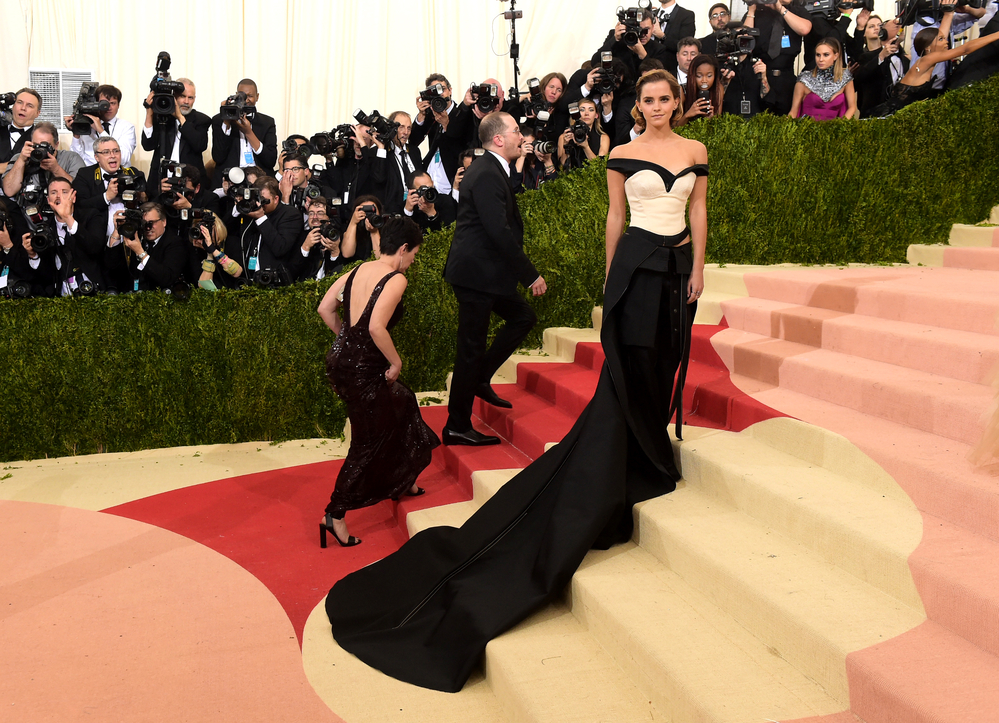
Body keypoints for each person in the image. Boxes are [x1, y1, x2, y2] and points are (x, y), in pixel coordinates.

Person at [325, 68, 707, 693]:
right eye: (649, 99)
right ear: (638, 105)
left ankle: (483, 407)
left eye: (666, 99)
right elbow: (581, 223)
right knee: (511, 348)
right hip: (604, 266)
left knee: (608, 352)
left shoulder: (694, 151)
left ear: (676, 103)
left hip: (670, 269)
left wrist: (697, 267)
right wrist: (583, 279)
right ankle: (491, 418)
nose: (658, 107)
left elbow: (697, 207)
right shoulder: (592, 157)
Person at [317, 216, 439, 547]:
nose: (413, 261)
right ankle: (335, 514)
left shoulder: (354, 272)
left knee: (402, 400)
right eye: (413, 254)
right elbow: (375, 327)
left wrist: (347, 339)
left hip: (342, 362)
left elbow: (325, 308)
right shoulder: (395, 278)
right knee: (367, 442)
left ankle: (404, 479)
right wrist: (395, 360)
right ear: (402, 249)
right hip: (362, 370)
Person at [441, 112, 548, 446]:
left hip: (484, 274)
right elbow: (498, 231)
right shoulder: (487, 172)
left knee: (522, 317)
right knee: (469, 350)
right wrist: (530, 276)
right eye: (517, 131)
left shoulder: (492, 170)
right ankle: (457, 425)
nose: (522, 137)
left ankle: (480, 378)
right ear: (499, 139)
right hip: (476, 276)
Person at [874, 1, 999, 115]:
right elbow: (965, 49)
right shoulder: (927, 60)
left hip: (909, 112)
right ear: (928, 47)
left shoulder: (930, 54)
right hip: (893, 112)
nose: (945, 42)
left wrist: (949, 12)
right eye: (941, 40)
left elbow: (941, 34)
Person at [141, 78, 210, 192]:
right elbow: (148, 145)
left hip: (190, 184)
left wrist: (180, 118)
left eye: (190, 97)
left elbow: (199, 145)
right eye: (183, 96)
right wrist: (149, 113)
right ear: (173, 97)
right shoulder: (162, 117)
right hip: (161, 181)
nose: (186, 102)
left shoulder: (202, 120)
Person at [210, 79, 278, 187]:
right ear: (236, 95)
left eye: (250, 96)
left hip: (259, 180)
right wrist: (226, 122)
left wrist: (249, 133)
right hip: (230, 179)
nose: (246, 100)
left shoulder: (267, 122)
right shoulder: (219, 120)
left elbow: (270, 160)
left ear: (257, 97)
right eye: (242, 96)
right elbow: (218, 157)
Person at [65, 84, 137, 167]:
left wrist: (101, 131)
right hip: (90, 176)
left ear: (118, 105)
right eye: (104, 104)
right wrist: (76, 133)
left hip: (118, 175)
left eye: (113, 103)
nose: (108, 107)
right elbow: (76, 160)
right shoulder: (86, 125)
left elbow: (123, 159)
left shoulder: (127, 127)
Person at [789, 37, 857, 120]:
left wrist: (840, 126)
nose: (821, 59)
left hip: (834, 130)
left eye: (826, 55)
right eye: (818, 55)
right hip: (807, 130)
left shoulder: (845, 78)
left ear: (836, 56)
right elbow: (793, 112)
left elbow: (852, 107)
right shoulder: (804, 79)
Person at [558, 98, 611, 171]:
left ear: (596, 115)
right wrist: (566, 145)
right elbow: (562, 168)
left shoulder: (603, 137)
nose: (586, 113)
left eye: (591, 110)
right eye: (582, 110)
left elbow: (600, 168)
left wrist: (586, 147)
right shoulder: (564, 136)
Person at [676, 54, 725, 125]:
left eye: (709, 76)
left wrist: (711, 119)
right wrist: (688, 115)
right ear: (692, 75)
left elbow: (717, 127)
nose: (704, 80)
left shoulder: (718, 89)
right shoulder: (682, 90)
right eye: (699, 76)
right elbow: (675, 128)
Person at [0, 88, 41, 171]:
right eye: (20, 102)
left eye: (30, 106)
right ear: (13, 106)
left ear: (37, 113)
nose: (23, 108)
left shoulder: (40, 137)